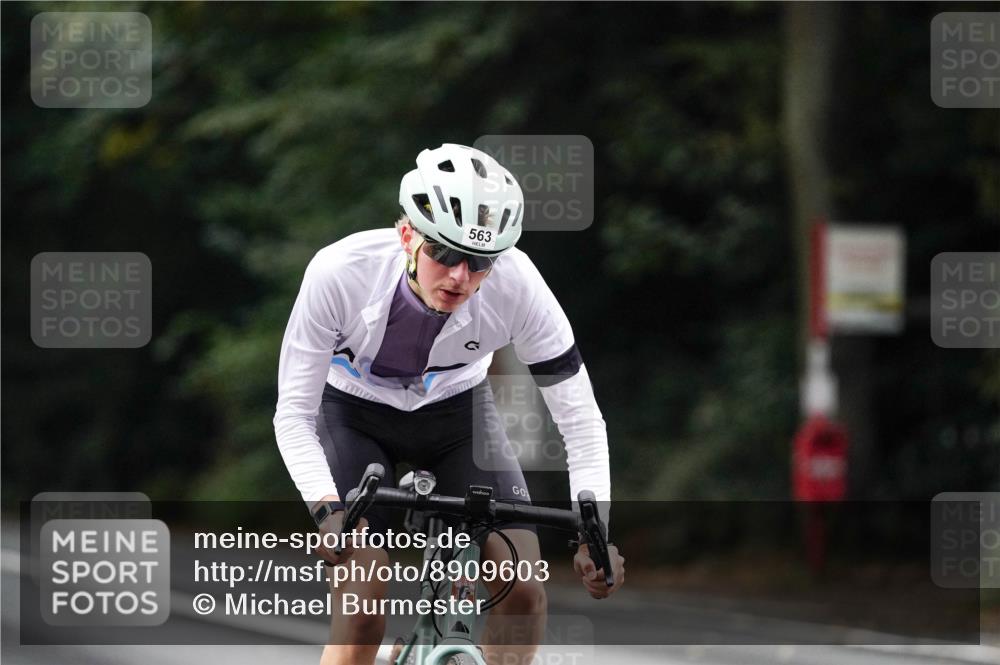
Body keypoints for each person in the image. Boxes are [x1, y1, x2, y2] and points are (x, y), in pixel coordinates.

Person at [273, 143, 624, 665]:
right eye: (445, 253)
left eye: (480, 260)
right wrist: (328, 510)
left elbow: (580, 420)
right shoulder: (338, 273)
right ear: (408, 235)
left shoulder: (520, 287)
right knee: (364, 602)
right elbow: (293, 415)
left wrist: (595, 533)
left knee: (523, 594)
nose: (461, 275)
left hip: (457, 415)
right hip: (352, 413)